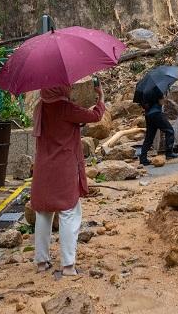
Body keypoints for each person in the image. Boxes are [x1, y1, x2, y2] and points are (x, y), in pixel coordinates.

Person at [31, 79, 105, 277]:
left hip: (43, 169)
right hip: (63, 169)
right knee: (69, 212)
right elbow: (96, 115)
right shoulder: (66, 108)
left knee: (43, 213)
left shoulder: (40, 108)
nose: (69, 87)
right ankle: (68, 266)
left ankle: (41, 262)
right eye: (66, 84)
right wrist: (100, 96)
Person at [138, 86, 178, 166]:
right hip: (156, 113)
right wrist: (163, 97)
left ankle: (143, 159)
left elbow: (144, 105)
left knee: (149, 137)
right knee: (169, 130)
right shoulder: (157, 89)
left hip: (148, 115)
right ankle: (169, 153)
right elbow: (161, 102)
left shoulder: (145, 92)